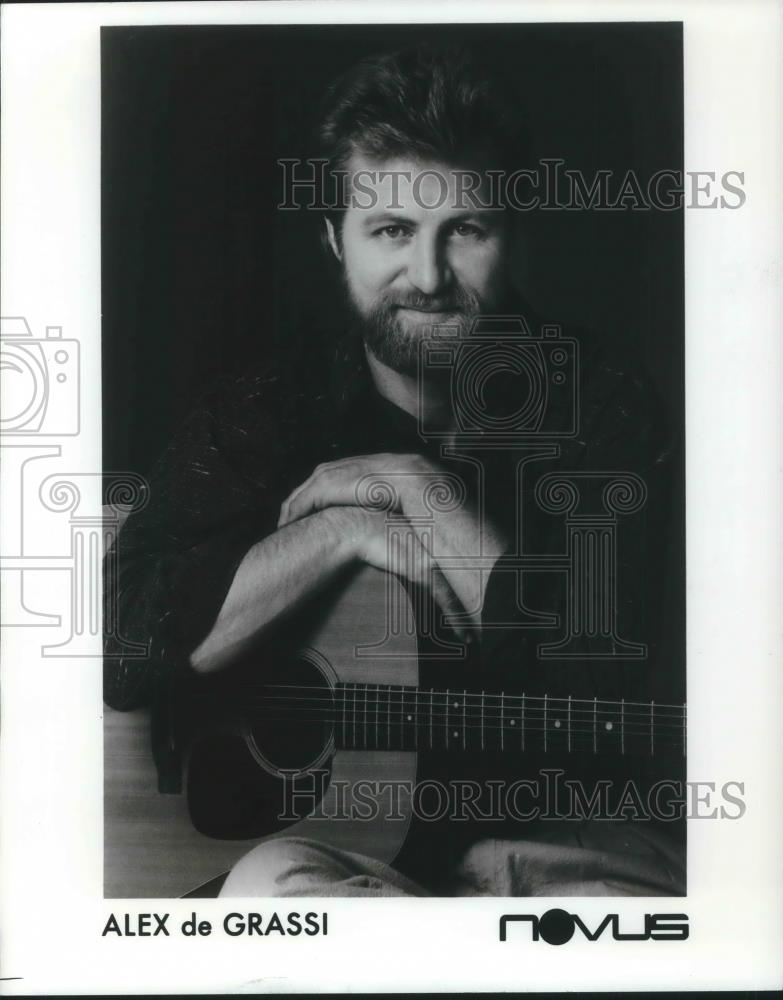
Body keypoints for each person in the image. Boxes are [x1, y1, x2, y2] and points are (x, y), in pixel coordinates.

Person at [105, 42, 685, 897]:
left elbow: (596, 678)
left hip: (554, 843)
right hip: (331, 856)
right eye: (391, 231)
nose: (428, 275)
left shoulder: (604, 403)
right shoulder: (267, 407)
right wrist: (344, 531)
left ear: (514, 235)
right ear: (333, 241)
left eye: (467, 230)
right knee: (273, 888)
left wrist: (424, 489)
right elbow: (131, 650)